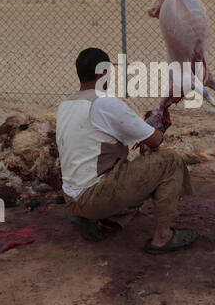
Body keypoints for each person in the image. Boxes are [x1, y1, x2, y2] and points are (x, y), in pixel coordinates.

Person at [56, 47, 198, 254]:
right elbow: (155, 140)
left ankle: (93, 220)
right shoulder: (105, 103)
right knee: (170, 161)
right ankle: (163, 237)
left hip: (71, 196)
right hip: (94, 196)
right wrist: (156, 120)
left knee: (128, 170)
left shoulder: (65, 105)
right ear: (104, 73)